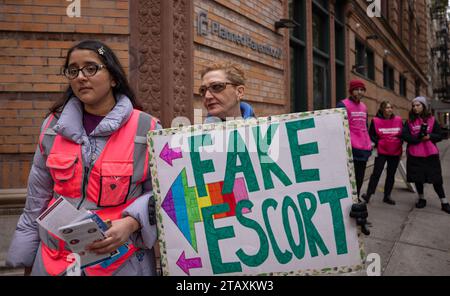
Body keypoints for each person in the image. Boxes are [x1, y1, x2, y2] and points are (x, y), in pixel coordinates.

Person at [6, 40, 162, 276]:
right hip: (53, 259)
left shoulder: (146, 127)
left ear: (113, 78)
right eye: (73, 70)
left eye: (91, 68)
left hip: (121, 261)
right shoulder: (52, 127)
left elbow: (162, 194)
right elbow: (36, 200)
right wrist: (25, 258)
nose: (81, 77)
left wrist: (132, 223)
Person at [402, 96, 450, 214]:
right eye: (413, 106)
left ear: (423, 106)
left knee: (436, 180)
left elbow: (440, 135)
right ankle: (422, 198)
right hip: (415, 155)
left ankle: (444, 202)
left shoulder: (432, 119)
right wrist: (417, 138)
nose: (415, 108)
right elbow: (405, 136)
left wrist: (429, 137)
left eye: (418, 105)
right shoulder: (409, 121)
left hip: (431, 154)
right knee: (418, 179)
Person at [361, 101, 403, 205]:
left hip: (395, 151)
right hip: (382, 151)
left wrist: (398, 142)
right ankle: (368, 195)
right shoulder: (375, 121)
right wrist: (380, 142)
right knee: (376, 173)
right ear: (382, 109)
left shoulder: (398, 120)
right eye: (387, 108)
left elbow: (403, 134)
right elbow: (371, 135)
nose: (389, 109)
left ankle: (387, 196)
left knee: (391, 174)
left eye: (391, 107)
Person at [337, 79, 372, 200]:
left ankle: (355, 201)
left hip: (363, 149)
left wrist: (369, 143)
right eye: (357, 89)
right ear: (351, 91)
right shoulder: (343, 104)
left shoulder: (364, 107)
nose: (360, 92)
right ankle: (348, 202)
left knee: (360, 178)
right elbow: (339, 127)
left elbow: (365, 127)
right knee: (348, 179)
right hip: (350, 148)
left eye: (362, 90)